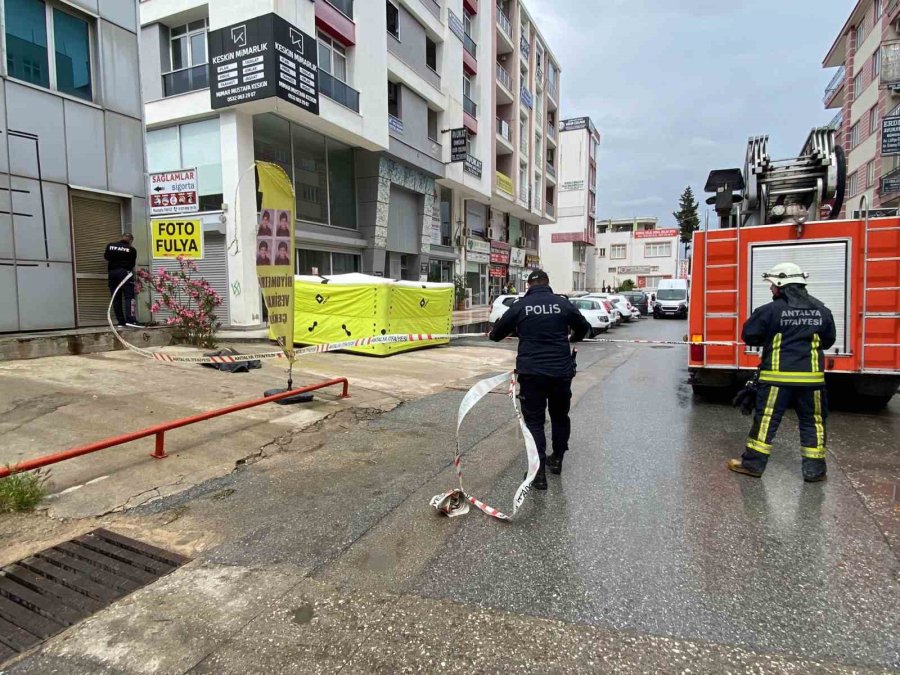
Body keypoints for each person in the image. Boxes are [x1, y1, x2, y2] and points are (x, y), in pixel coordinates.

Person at [729, 262, 836, 483]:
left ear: (781, 284)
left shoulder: (770, 311)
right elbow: (828, 341)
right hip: (812, 381)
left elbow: (750, 335)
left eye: (772, 285)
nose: (770, 289)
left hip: (777, 379)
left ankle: (752, 465)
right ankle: (815, 471)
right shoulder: (822, 311)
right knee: (814, 422)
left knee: (767, 420)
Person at [489, 269, 591, 490]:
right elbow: (584, 327)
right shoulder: (562, 305)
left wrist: (515, 330)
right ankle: (557, 460)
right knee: (560, 416)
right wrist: (574, 337)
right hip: (560, 373)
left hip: (532, 374)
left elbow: (496, 334)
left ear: (529, 285)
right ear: (547, 283)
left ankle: (538, 473)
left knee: (534, 422)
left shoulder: (521, 306)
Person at [104, 233, 138, 328]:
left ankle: (121, 322)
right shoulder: (131, 250)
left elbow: (106, 257)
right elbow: (132, 264)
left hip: (112, 273)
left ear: (121, 238)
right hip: (125, 273)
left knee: (116, 297)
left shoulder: (110, 246)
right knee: (129, 297)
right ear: (130, 241)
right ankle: (131, 320)